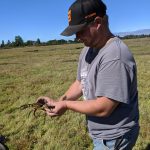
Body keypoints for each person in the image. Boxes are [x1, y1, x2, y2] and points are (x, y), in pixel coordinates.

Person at [37, 0, 139, 149]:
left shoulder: (115, 56)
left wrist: (66, 105)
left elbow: (104, 107)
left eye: (80, 30)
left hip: (115, 136)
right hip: (101, 134)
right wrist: (58, 101)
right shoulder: (88, 49)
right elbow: (80, 82)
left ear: (97, 22)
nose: (76, 37)